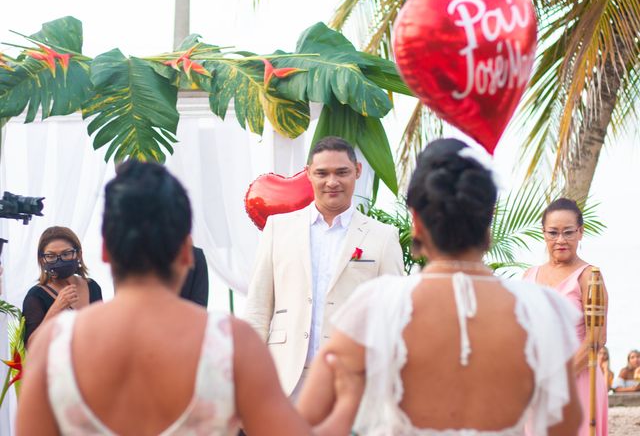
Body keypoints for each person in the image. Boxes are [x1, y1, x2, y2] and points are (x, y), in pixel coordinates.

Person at [16, 161, 362, 436]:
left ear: (105, 249)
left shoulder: (53, 346)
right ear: (186, 252)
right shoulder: (231, 344)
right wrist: (346, 402)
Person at [297, 138, 582, 435]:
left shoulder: (377, 304)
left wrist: (345, 411)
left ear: (416, 221)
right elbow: (566, 425)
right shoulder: (542, 310)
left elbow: (301, 422)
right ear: (488, 219)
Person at [244, 136, 404, 398]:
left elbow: (395, 314)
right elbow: (258, 308)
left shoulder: (383, 236)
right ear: (308, 174)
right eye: (322, 173)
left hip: (354, 380)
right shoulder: (278, 228)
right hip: (285, 376)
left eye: (342, 172)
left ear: (357, 171)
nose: (332, 182)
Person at [523, 197, 609, 435]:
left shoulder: (590, 276)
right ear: (543, 233)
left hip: (579, 381)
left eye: (568, 232)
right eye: (553, 232)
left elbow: (597, 339)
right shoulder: (529, 276)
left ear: (580, 232)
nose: (560, 240)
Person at [22, 226, 102, 347]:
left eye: (66, 254)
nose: (60, 261)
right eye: (51, 256)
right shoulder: (36, 296)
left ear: (78, 254)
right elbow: (31, 346)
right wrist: (55, 309)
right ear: (42, 260)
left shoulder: (92, 286)